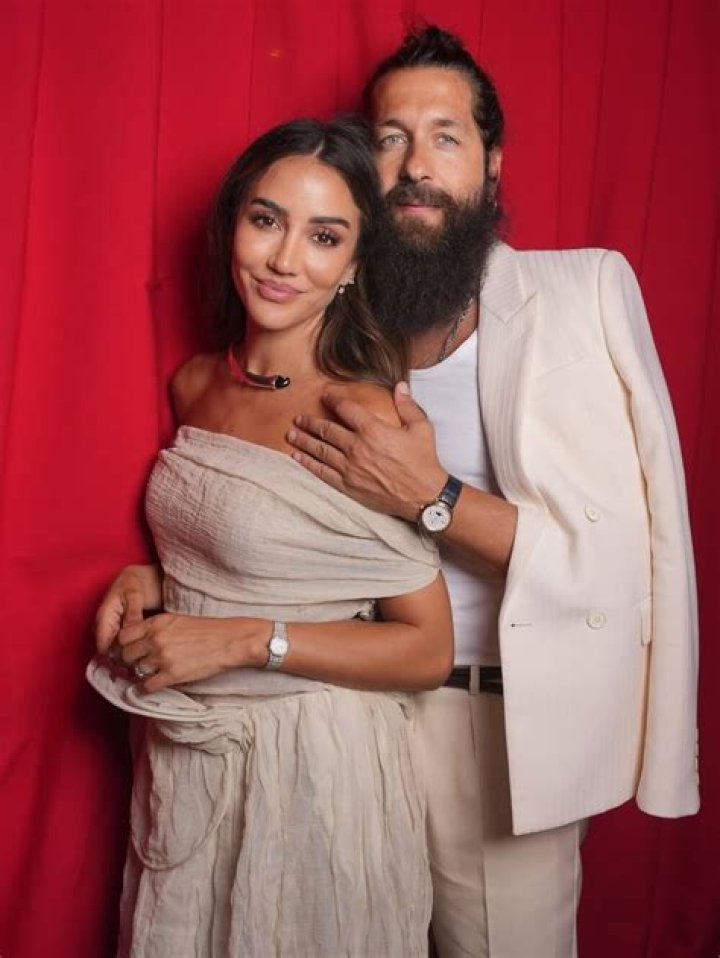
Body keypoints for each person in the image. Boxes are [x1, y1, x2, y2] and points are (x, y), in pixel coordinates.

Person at [285, 26, 700, 958]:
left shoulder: (583, 294)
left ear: (493, 162)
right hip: (343, 711)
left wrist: (430, 496)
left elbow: (625, 558)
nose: (416, 165)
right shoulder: (328, 317)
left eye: (446, 136)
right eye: (391, 138)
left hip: (499, 726)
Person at [89, 116, 453, 958]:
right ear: (234, 226)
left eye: (324, 237)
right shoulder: (194, 383)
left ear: (354, 264)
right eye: (266, 220)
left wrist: (245, 640)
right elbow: (262, 547)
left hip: (316, 767)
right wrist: (156, 579)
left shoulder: (358, 413)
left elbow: (426, 648)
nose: (285, 260)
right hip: (193, 755)